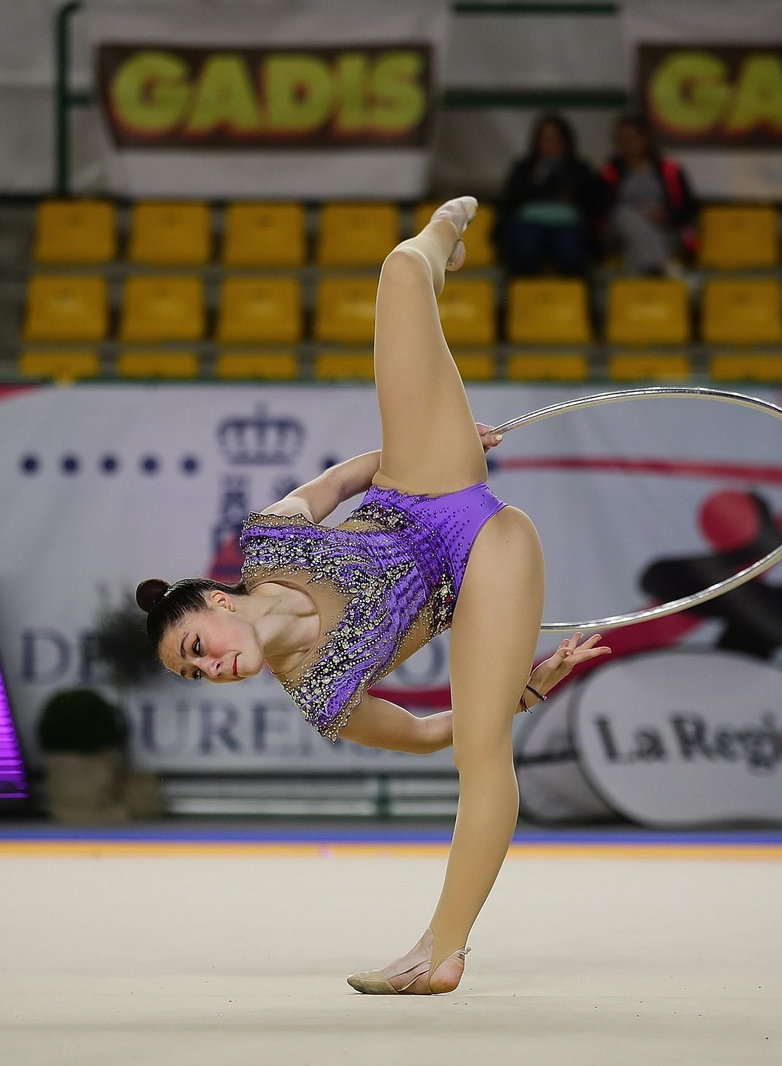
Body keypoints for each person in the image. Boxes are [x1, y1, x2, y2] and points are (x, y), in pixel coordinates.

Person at [136, 197, 611, 995]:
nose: (208, 671)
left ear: (217, 604)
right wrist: (529, 690)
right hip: (485, 563)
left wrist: (448, 431)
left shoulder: (267, 538)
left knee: (398, 270)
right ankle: (440, 951)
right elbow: (428, 735)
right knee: (478, 752)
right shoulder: (323, 693)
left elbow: (345, 479)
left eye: (195, 651)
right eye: (194, 677)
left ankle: (445, 236)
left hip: (424, 481)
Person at [495, 114, 608, 275]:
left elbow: (593, 200)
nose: (550, 144)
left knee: (570, 252)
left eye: (555, 138)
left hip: (569, 226)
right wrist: (535, 185)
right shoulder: (524, 168)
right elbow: (511, 199)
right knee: (526, 250)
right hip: (529, 225)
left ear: (565, 141)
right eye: (545, 139)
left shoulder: (580, 169)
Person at [600, 114, 698, 275]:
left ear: (645, 139)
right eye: (622, 139)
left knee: (639, 247)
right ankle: (668, 270)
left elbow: (687, 207)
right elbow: (604, 208)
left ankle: (638, 283)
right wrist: (639, 213)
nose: (627, 143)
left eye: (631, 138)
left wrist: (666, 216)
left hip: (664, 230)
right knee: (625, 214)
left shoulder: (670, 170)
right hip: (621, 233)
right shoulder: (609, 172)